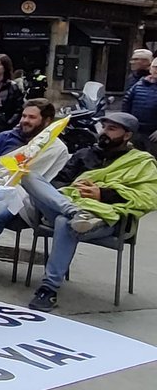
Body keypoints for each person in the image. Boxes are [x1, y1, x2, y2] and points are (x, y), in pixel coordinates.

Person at [20, 112, 157, 312]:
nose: (104, 133)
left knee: (63, 223)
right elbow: (59, 182)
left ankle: (48, 290)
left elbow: (149, 197)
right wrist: (75, 188)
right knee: (27, 176)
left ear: (127, 135)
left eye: (111, 129)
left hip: (104, 220)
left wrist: (102, 193)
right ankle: (73, 211)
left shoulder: (142, 161)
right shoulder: (85, 154)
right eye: (104, 127)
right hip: (70, 204)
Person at [0, 99, 70, 268]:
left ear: (47, 121)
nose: (25, 120)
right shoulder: (4, 137)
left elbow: (50, 181)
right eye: (24, 116)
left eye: (32, 117)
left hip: (22, 197)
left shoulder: (57, 148)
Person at [121, 56, 157, 153]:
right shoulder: (138, 85)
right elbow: (126, 105)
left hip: (153, 135)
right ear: (150, 68)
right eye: (155, 67)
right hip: (135, 131)